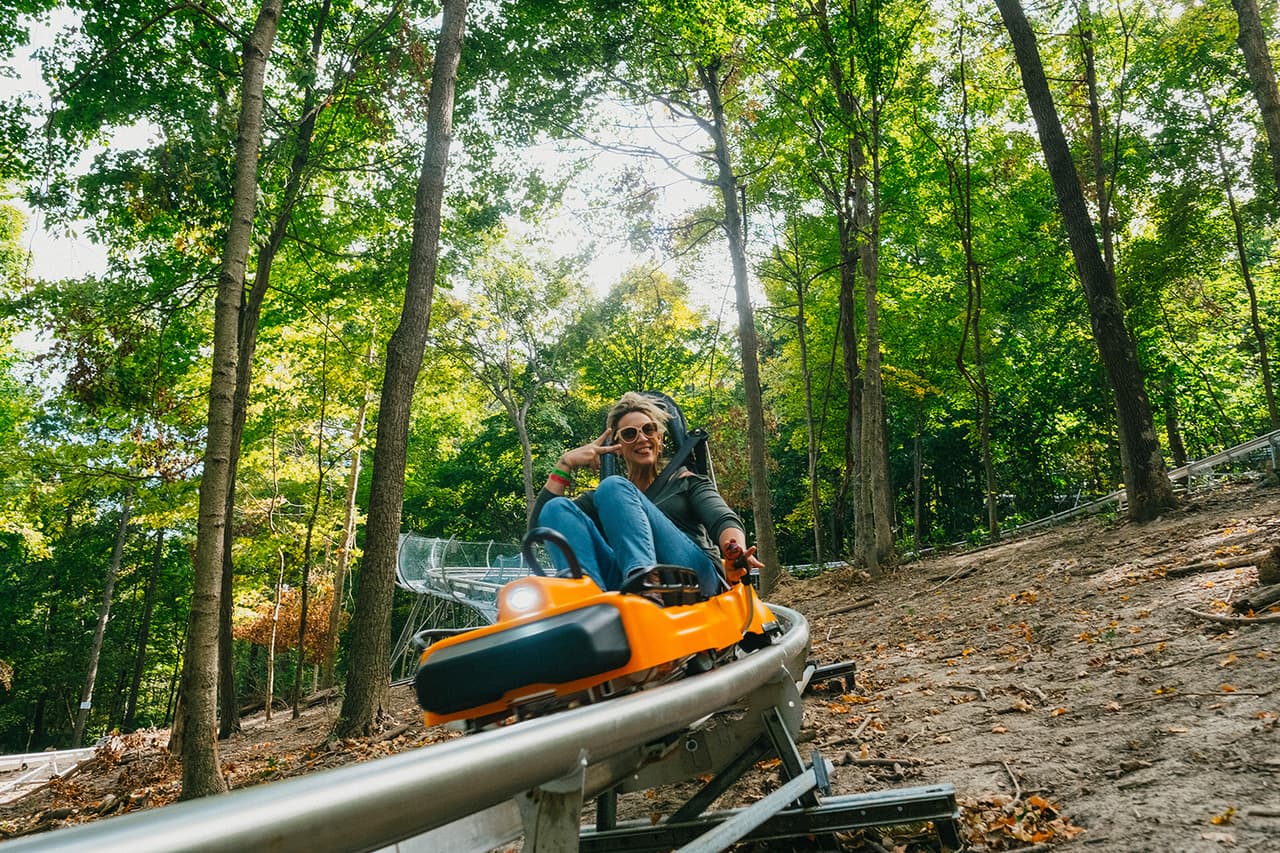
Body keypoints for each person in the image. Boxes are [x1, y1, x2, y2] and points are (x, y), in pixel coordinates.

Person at [530, 392, 763, 597]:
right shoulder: (605, 498)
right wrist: (564, 463)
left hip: (697, 578)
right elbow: (542, 529)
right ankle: (586, 597)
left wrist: (735, 550)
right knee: (556, 507)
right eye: (630, 434)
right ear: (618, 446)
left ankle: (645, 583)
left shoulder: (686, 481)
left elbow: (722, 519)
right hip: (623, 583)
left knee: (613, 486)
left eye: (648, 430)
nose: (641, 438)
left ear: (659, 438)